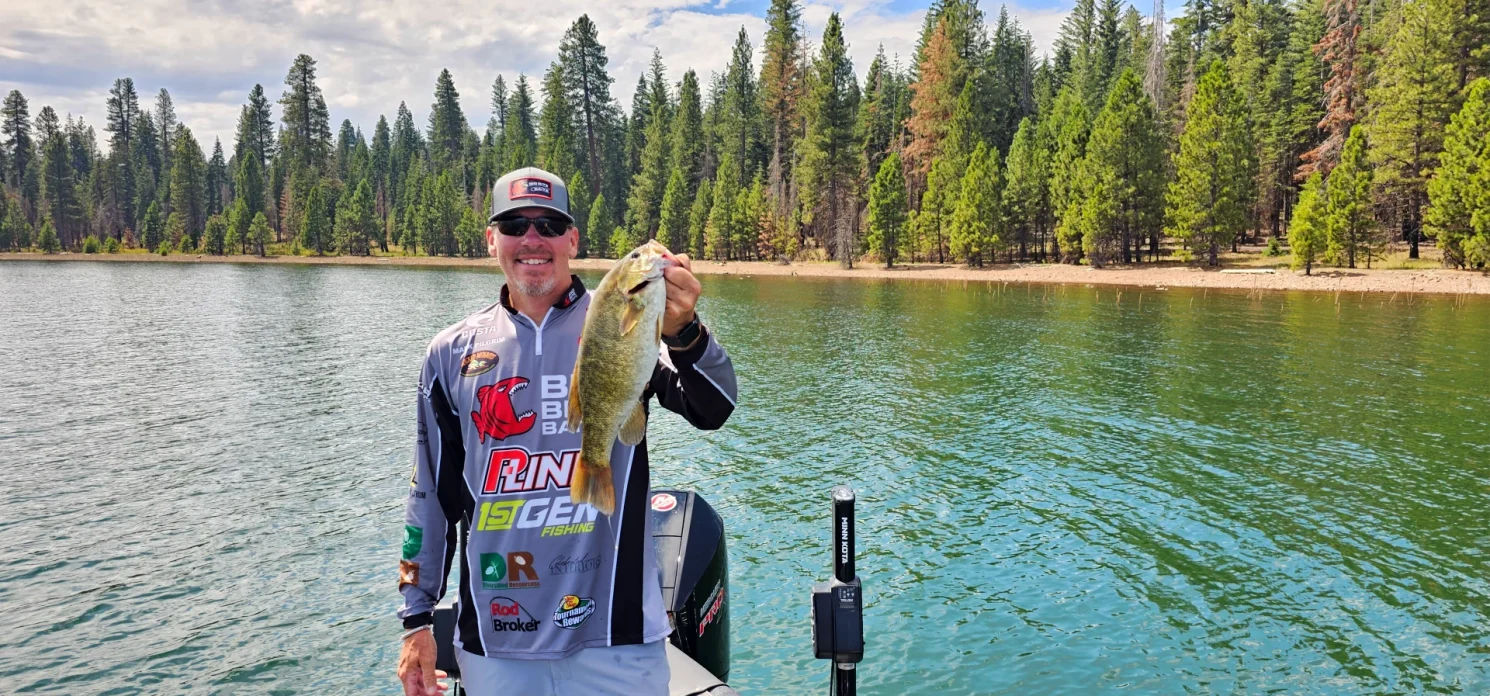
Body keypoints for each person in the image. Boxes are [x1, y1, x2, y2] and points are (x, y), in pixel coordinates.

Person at [395, 167, 738, 696]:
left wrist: (687, 332)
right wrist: (417, 622)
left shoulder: (624, 320)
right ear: (492, 240)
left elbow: (713, 408)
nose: (533, 239)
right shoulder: (449, 353)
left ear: (572, 240)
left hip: (617, 640)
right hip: (495, 645)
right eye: (514, 224)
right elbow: (430, 496)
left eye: (550, 225)